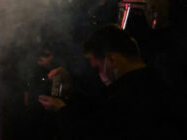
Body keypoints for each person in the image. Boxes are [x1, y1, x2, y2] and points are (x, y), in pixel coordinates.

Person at [38, 25, 186, 140]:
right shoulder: (157, 83)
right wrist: (72, 92)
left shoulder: (131, 98)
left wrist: (62, 111)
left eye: (97, 68)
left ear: (112, 60)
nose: (99, 74)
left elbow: (95, 132)